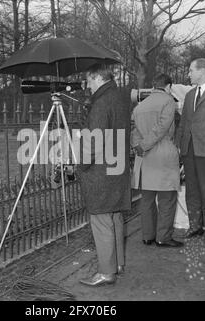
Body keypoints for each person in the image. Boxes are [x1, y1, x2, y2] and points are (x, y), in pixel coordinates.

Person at [77, 63, 131, 286]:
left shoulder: (101, 103)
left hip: (101, 172)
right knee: (114, 216)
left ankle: (106, 273)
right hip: (117, 168)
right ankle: (117, 264)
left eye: (89, 81)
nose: (87, 86)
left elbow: (94, 141)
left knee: (101, 219)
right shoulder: (120, 97)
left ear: (98, 77)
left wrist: (81, 164)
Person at [131, 74, 183, 248]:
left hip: (144, 158)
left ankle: (148, 236)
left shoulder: (140, 106)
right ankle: (163, 238)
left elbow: (134, 130)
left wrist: (139, 145)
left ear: (154, 86)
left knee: (147, 200)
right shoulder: (168, 101)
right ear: (168, 87)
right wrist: (145, 144)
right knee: (167, 199)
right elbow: (162, 127)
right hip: (163, 156)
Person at [176, 58, 205, 246]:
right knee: (192, 190)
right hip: (189, 149)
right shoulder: (189, 94)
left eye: (191, 70)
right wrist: (179, 145)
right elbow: (184, 123)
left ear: (202, 71)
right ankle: (195, 227)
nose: (189, 74)